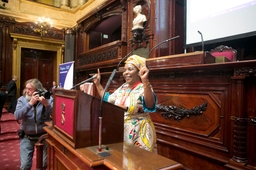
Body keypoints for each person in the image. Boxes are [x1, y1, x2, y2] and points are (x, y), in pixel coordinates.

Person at [93, 55, 157, 152]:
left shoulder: (144, 87)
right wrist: (97, 84)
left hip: (139, 134)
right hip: (123, 132)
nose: (125, 73)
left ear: (139, 71)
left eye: (130, 69)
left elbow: (150, 105)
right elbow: (108, 99)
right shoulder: (123, 87)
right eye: (125, 70)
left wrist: (145, 81)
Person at [14, 78, 53, 170]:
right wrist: (30, 104)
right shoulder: (22, 100)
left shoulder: (48, 99)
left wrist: (46, 104)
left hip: (44, 136)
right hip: (27, 136)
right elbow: (17, 115)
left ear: (38, 90)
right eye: (26, 88)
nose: (27, 91)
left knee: (44, 164)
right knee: (25, 165)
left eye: (30, 89)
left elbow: (55, 114)